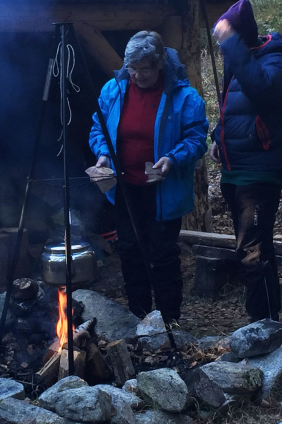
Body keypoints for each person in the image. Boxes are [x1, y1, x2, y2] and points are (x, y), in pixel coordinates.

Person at [89, 31, 208, 325]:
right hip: (125, 189)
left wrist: (172, 158)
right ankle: (138, 319)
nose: (137, 75)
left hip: (162, 190)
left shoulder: (183, 97)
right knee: (129, 252)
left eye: (144, 69)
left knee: (162, 255)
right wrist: (103, 154)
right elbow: (98, 129)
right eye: (132, 68)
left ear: (160, 66)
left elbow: (197, 139)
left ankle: (169, 323)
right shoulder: (113, 91)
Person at [210, 0, 282, 322]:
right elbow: (231, 110)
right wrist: (218, 139)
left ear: (239, 37)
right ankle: (269, 320)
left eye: (227, 40)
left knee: (251, 252)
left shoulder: (276, 59)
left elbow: (261, 90)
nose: (222, 48)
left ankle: (260, 325)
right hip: (235, 170)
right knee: (257, 248)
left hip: (260, 170)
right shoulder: (239, 59)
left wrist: (231, 44)